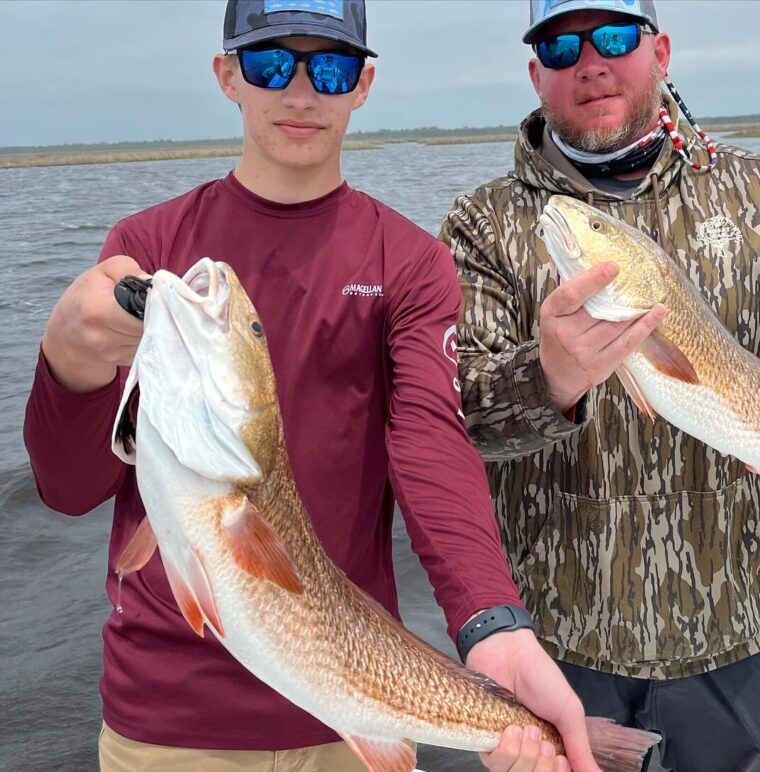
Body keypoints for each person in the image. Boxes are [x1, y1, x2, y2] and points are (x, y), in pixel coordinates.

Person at [22, 2, 597, 770]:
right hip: (166, 721)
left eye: (327, 68)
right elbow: (68, 486)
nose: (299, 92)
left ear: (361, 84)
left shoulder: (412, 262)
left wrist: (493, 623)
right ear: (227, 76)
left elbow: (432, 443)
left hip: (355, 704)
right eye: (269, 64)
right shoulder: (147, 248)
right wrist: (71, 363)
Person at [439, 1, 760, 770]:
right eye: (560, 46)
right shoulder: (482, 226)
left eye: (615, 37)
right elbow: (452, 424)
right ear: (535, 74)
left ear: (661, 51)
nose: (590, 61)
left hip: (750, 643)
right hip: (557, 652)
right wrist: (545, 379)